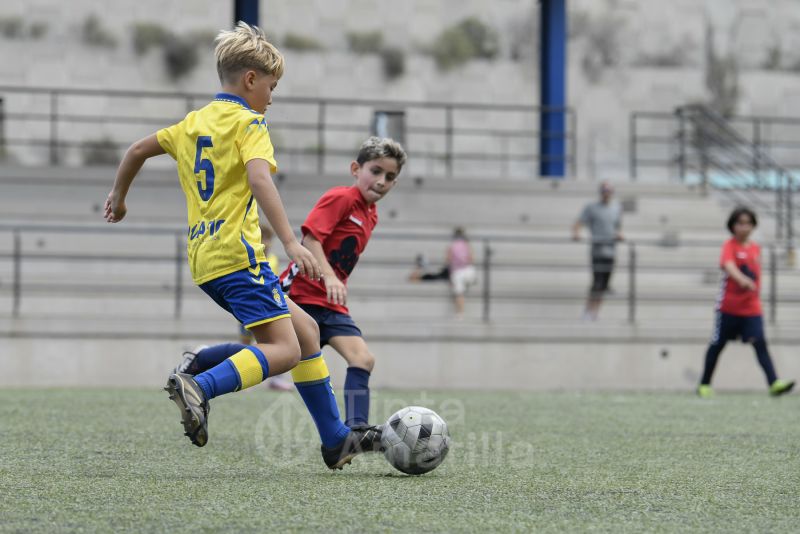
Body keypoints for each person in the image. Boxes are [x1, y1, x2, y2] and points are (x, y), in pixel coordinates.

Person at [104, 22, 381, 469]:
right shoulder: (250, 123)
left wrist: (119, 197)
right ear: (251, 79)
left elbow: (136, 150)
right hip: (240, 256)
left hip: (204, 258)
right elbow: (258, 177)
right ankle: (202, 385)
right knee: (286, 351)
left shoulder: (192, 124)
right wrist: (290, 240)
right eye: (271, 86)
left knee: (306, 331)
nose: (272, 97)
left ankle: (335, 440)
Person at [279, 136, 407, 428]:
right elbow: (311, 239)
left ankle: (357, 429)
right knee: (275, 359)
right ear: (355, 169)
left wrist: (333, 283)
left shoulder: (370, 213)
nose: (381, 181)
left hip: (331, 305)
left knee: (363, 359)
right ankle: (201, 362)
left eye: (390, 177)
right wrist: (330, 277)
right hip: (301, 297)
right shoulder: (342, 198)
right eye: (375, 171)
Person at [697, 207, 795, 398]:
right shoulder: (729, 246)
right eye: (740, 223)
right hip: (729, 307)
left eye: (748, 223)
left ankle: (774, 382)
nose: (744, 227)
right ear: (733, 226)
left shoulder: (755, 248)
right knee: (717, 345)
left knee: (760, 343)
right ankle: (704, 384)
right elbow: (728, 265)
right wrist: (742, 279)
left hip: (751, 308)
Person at [572, 181, 623, 321]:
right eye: (604, 191)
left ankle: (595, 312)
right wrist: (576, 233)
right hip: (598, 250)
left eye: (609, 191)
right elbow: (579, 222)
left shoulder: (616, 208)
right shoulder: (592, 208)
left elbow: (617, 227)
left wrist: (619, 235)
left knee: (605, 286)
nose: (606, 194)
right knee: (597, 283)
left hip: (611, 251)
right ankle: (588, 310)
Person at [447, 227, 477, 319]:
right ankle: (470, 280)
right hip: (468, 269)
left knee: (459, 292)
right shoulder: (467, 245)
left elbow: (448, 259)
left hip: (457, 271)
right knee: (466, 280)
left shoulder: (452, 246)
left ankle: (460, 313)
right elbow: (472, 259)